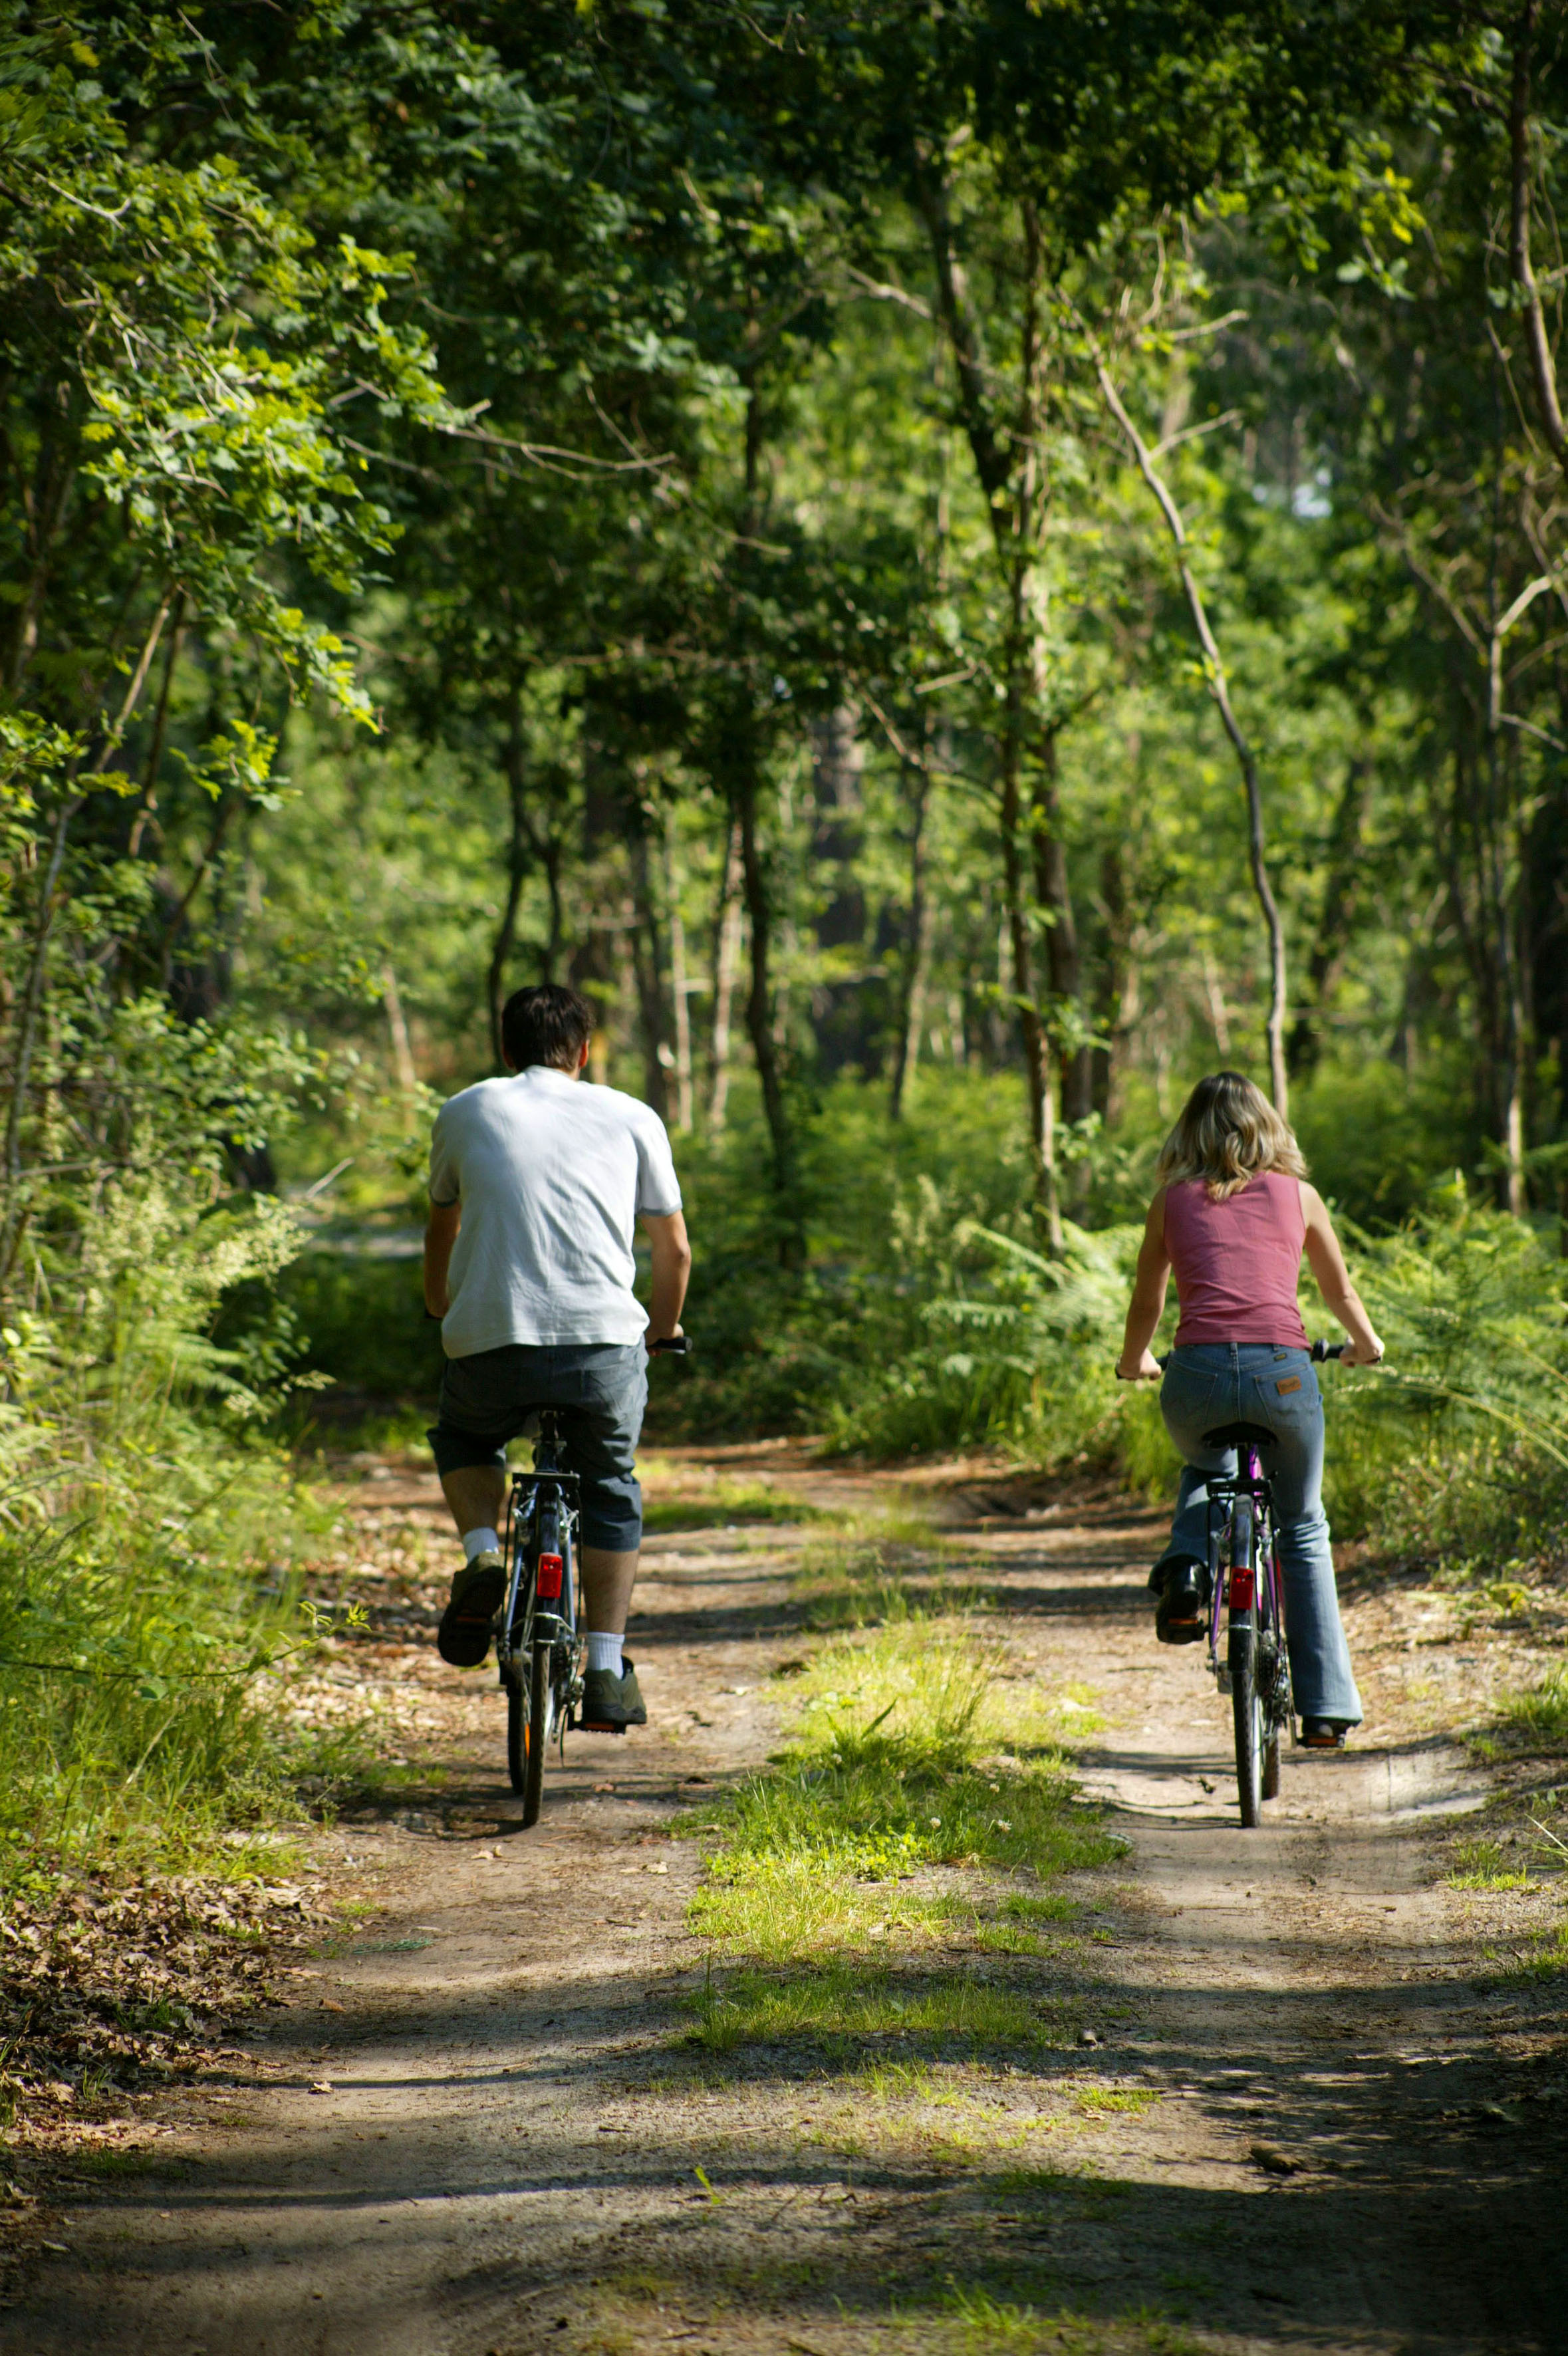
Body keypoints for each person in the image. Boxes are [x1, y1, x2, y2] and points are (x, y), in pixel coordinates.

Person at [421, 983, 691, 1732]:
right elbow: (673, 1248)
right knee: (609, 1486)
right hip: (603, 1348)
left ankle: (482, 1557)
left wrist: (442, 1305)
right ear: (583, 1052)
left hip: (490, 1341)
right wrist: (661, 1332)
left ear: (505, 1052)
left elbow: (441, 1223)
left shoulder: (466, 1109)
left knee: (467, 1437)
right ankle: (604, 1668)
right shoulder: (632, 1115)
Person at [1114, 1069, 1382, 1750]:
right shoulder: (1301, 1196)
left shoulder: (1170, 1202)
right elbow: (1339, 1293)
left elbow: (1147, 1305)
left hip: (1196, 1376)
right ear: (1268, 1127)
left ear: (1190, 1133)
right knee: (1301, 1526)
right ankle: (1324, 1710)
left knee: (1205, 1466)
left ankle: (1185, 1568)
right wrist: (1365, 1344)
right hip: (1285, 1377)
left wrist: (1135, 1360)